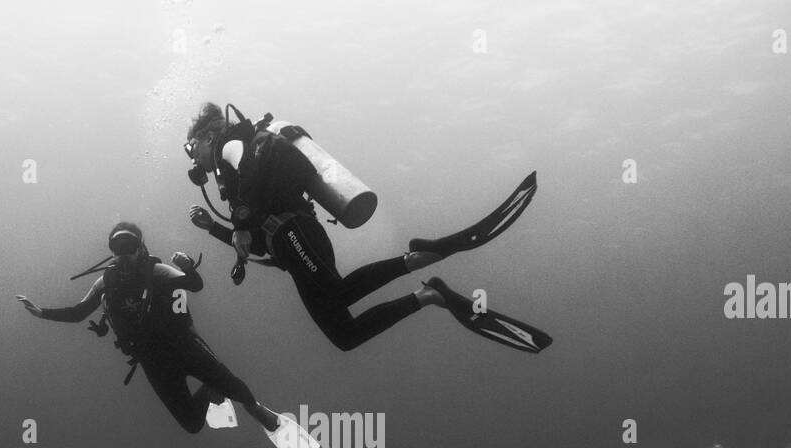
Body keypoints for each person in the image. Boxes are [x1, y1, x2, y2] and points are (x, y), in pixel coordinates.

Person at [183, 102, 551, 354]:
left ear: (205, 136)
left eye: (190, 146)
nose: (192, 155)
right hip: (290, 246)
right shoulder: (229, 182)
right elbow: (258, 247)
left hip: (295, 232)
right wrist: (216, 229)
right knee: (345, 336)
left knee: (339, 293)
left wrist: (241, 223)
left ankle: (422, 255)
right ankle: (429, 295)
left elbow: (246, 162)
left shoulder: (230, 143)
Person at [17, 222, 318, 448]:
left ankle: (256, 410)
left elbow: (194, 285)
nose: (123, 254)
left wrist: (188, 268)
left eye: (129, 247)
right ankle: (212, 390)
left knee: (238, 390)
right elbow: (78, 313)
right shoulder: (106, 282)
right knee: (191, 424)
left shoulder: (155, 270)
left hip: (183, 345)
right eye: (116, 248)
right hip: (152, 360)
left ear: (140, 248)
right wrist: (41, 312)